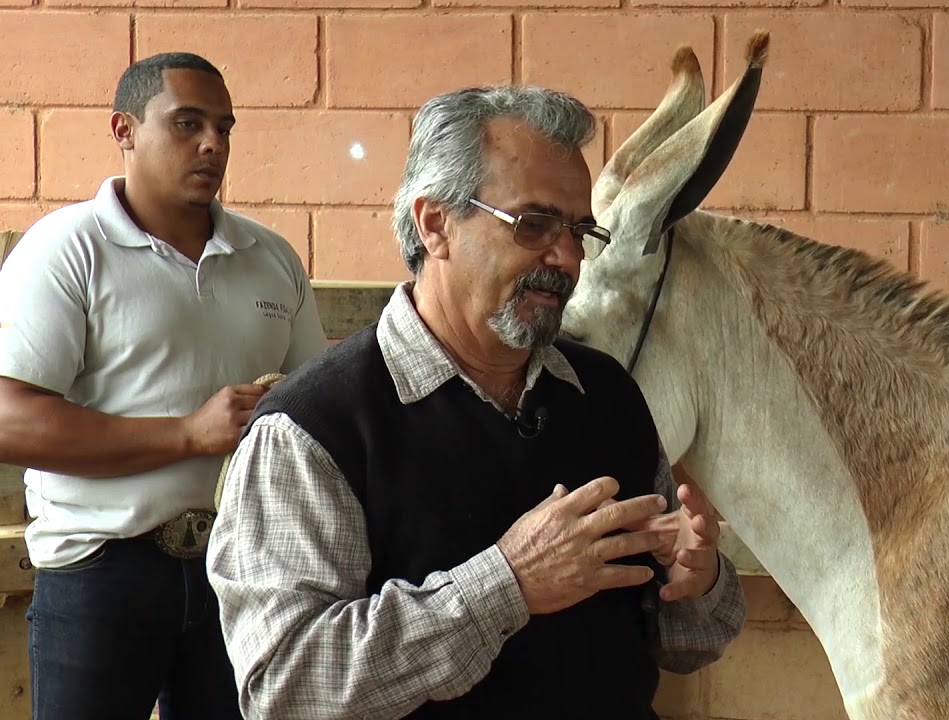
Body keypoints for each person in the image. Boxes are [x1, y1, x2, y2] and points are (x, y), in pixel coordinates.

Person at [206, 84, 748, 719]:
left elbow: (686, 643)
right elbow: (288, 686)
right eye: (535, 224)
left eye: (579, 230)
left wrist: (696, 582)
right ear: (434, 223)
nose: (568, 258)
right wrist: (509, 583)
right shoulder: (313, 431)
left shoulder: (607, 396)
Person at [0, 52, 329, 720]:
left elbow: (312, 405)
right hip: (100, 570)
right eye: (187, 123)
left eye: (224, 127)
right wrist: (188, 434)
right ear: (123, 130)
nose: (213, 143)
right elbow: (9, 420)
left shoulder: (270, 258)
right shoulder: (66, 248)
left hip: (245, 571)